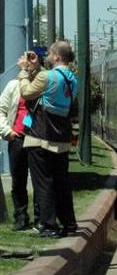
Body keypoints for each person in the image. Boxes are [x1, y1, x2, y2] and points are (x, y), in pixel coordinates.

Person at [18, 41, 79, 238]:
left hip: (40, 136)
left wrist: (25, 71)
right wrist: (38, 67)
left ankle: (49, 225)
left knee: (43, 182)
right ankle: (69, 223)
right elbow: (52, 83)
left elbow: (26, 92)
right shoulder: (72, 79)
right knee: (61, 182)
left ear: (56, 57)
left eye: (50, 54)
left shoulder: (46, 76)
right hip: (61, 138)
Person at [0, 74, 38, 231]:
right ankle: (21, 217)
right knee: (18, 181)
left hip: (37, 140)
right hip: (18, 138)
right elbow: (1, 109)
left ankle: (40, 218)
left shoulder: (41, 85)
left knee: (39, 181)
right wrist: (7, 131)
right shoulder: (13, 86)